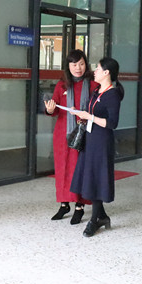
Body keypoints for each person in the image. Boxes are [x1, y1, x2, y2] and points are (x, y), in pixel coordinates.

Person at [69, 57, 124, 237]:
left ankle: (95, 220)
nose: (95, 71)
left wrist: (90, 117)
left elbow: (112, 123)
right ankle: (102, 216)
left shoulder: (112, 94)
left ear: (107, 72)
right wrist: (81, 114)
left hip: (101, 141)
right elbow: (91, 113)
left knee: (97, 177)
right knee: (90, 176)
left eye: (98, 69)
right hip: (90, 139)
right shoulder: (97, 91)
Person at [43, 50, 97, 224]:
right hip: (63, 133)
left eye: (81, 64)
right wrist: (50, 109)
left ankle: (79, 206)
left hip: (83, 133)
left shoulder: (93, 85)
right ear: (68, 66)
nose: (78, 68)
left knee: (78, 169)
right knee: (62, 169)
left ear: (86, 64)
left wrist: (84, 112)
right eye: (74, 65)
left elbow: (97, 109)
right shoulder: (61, 85)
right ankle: (64, 204)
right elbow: (54, 109)